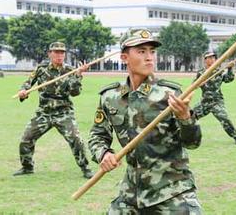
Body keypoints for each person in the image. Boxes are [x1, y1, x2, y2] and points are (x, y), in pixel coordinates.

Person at [88, 28, 202, 214]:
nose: (149, 57)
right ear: (124, 58)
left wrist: (185, 118)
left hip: (172, 191)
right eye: (141, 52)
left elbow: (193, 143)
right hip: (131, 193)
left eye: (152, 51)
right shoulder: (111, 97)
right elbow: (97, 135)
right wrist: (103, 154)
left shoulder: (170, 94)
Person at [14, 42, 93, 178]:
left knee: (76, 139)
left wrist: (79, 75)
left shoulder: (70, 70)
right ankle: (27, 167)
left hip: (64, 113)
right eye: (56, 52)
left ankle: (85, 168)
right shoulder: (41, 68)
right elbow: (28, 82)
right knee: (26, 139)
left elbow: (75, 93)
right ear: (50, 54)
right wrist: (23, 91)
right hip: (44, 112)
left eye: (62, 52)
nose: (59, 55)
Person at [193, 51, 236, 145]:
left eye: (213, 57)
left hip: (217, 101)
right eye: (209, 58)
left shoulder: (219, 71)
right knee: (189, 118)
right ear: (205, 60)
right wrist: (199, 83)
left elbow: (229, 79)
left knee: (225, 118)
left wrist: (230, 68)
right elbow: (193, 85)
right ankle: (183, 136)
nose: (212, 59)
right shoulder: (201, 72)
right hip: (205, 102)